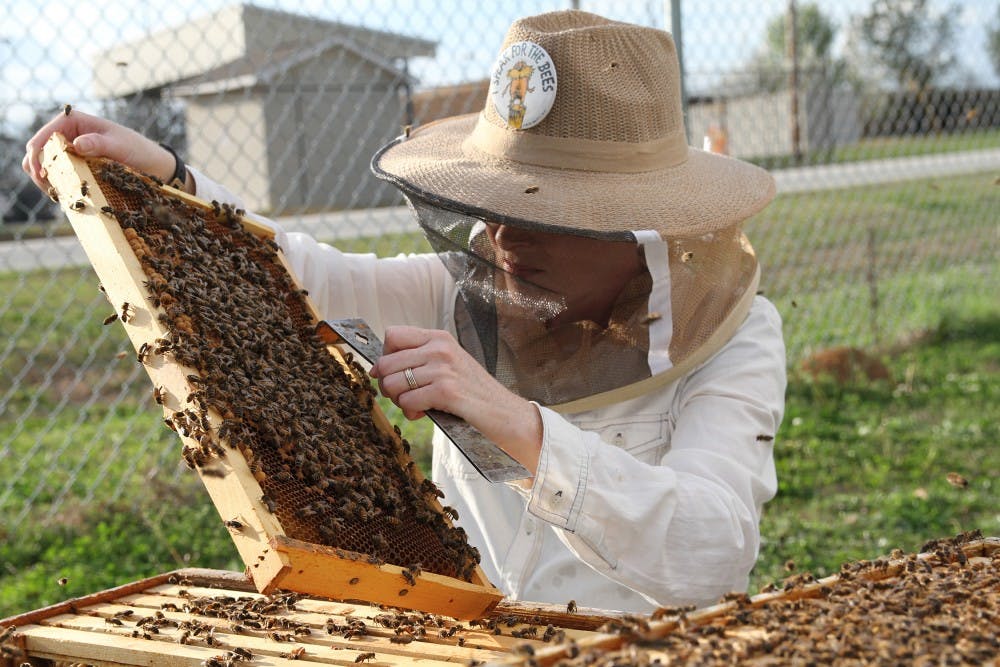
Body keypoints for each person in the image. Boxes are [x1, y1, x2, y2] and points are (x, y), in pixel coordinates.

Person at [24, 10, 786, 612]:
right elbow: (304, 279)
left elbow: (711, 551)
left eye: (547, 211)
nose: (502, 233)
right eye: (494, 201)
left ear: (639, 221)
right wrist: (171, 176)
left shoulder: (738, 337)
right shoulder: (466, 291)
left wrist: (514, 422)